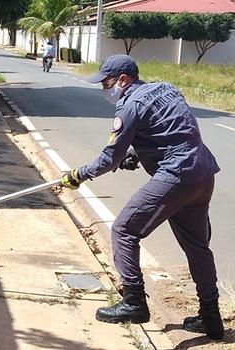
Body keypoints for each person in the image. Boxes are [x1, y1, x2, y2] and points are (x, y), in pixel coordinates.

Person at [60, 54, 224, 340]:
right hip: (202, 173)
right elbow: (173, 129)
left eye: (106, 83)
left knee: (124, 230)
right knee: (198, 247)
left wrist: (79, 174)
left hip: (176, 175)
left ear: (123, 80)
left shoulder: (129, 105)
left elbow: (109, 158)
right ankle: (211, 318)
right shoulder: (167, 88)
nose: (104, 90)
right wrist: (139, 152)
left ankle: (134, 302)